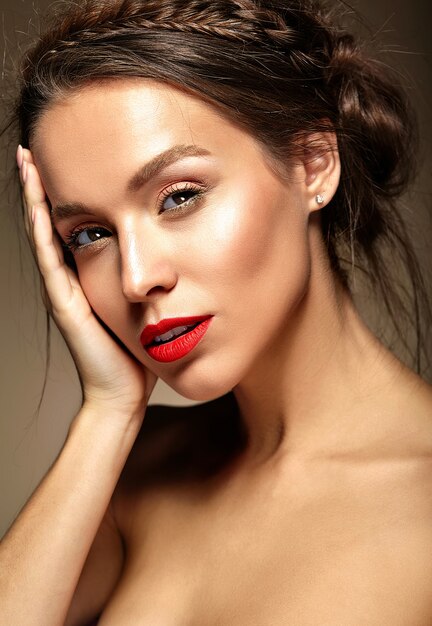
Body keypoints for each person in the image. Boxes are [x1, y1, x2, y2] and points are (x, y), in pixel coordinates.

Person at [1, 0, 432, 623]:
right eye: (90, 235)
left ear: (313, 162)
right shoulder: (135, 475)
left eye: (179, 197)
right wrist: (109, 413)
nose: (137, 277)